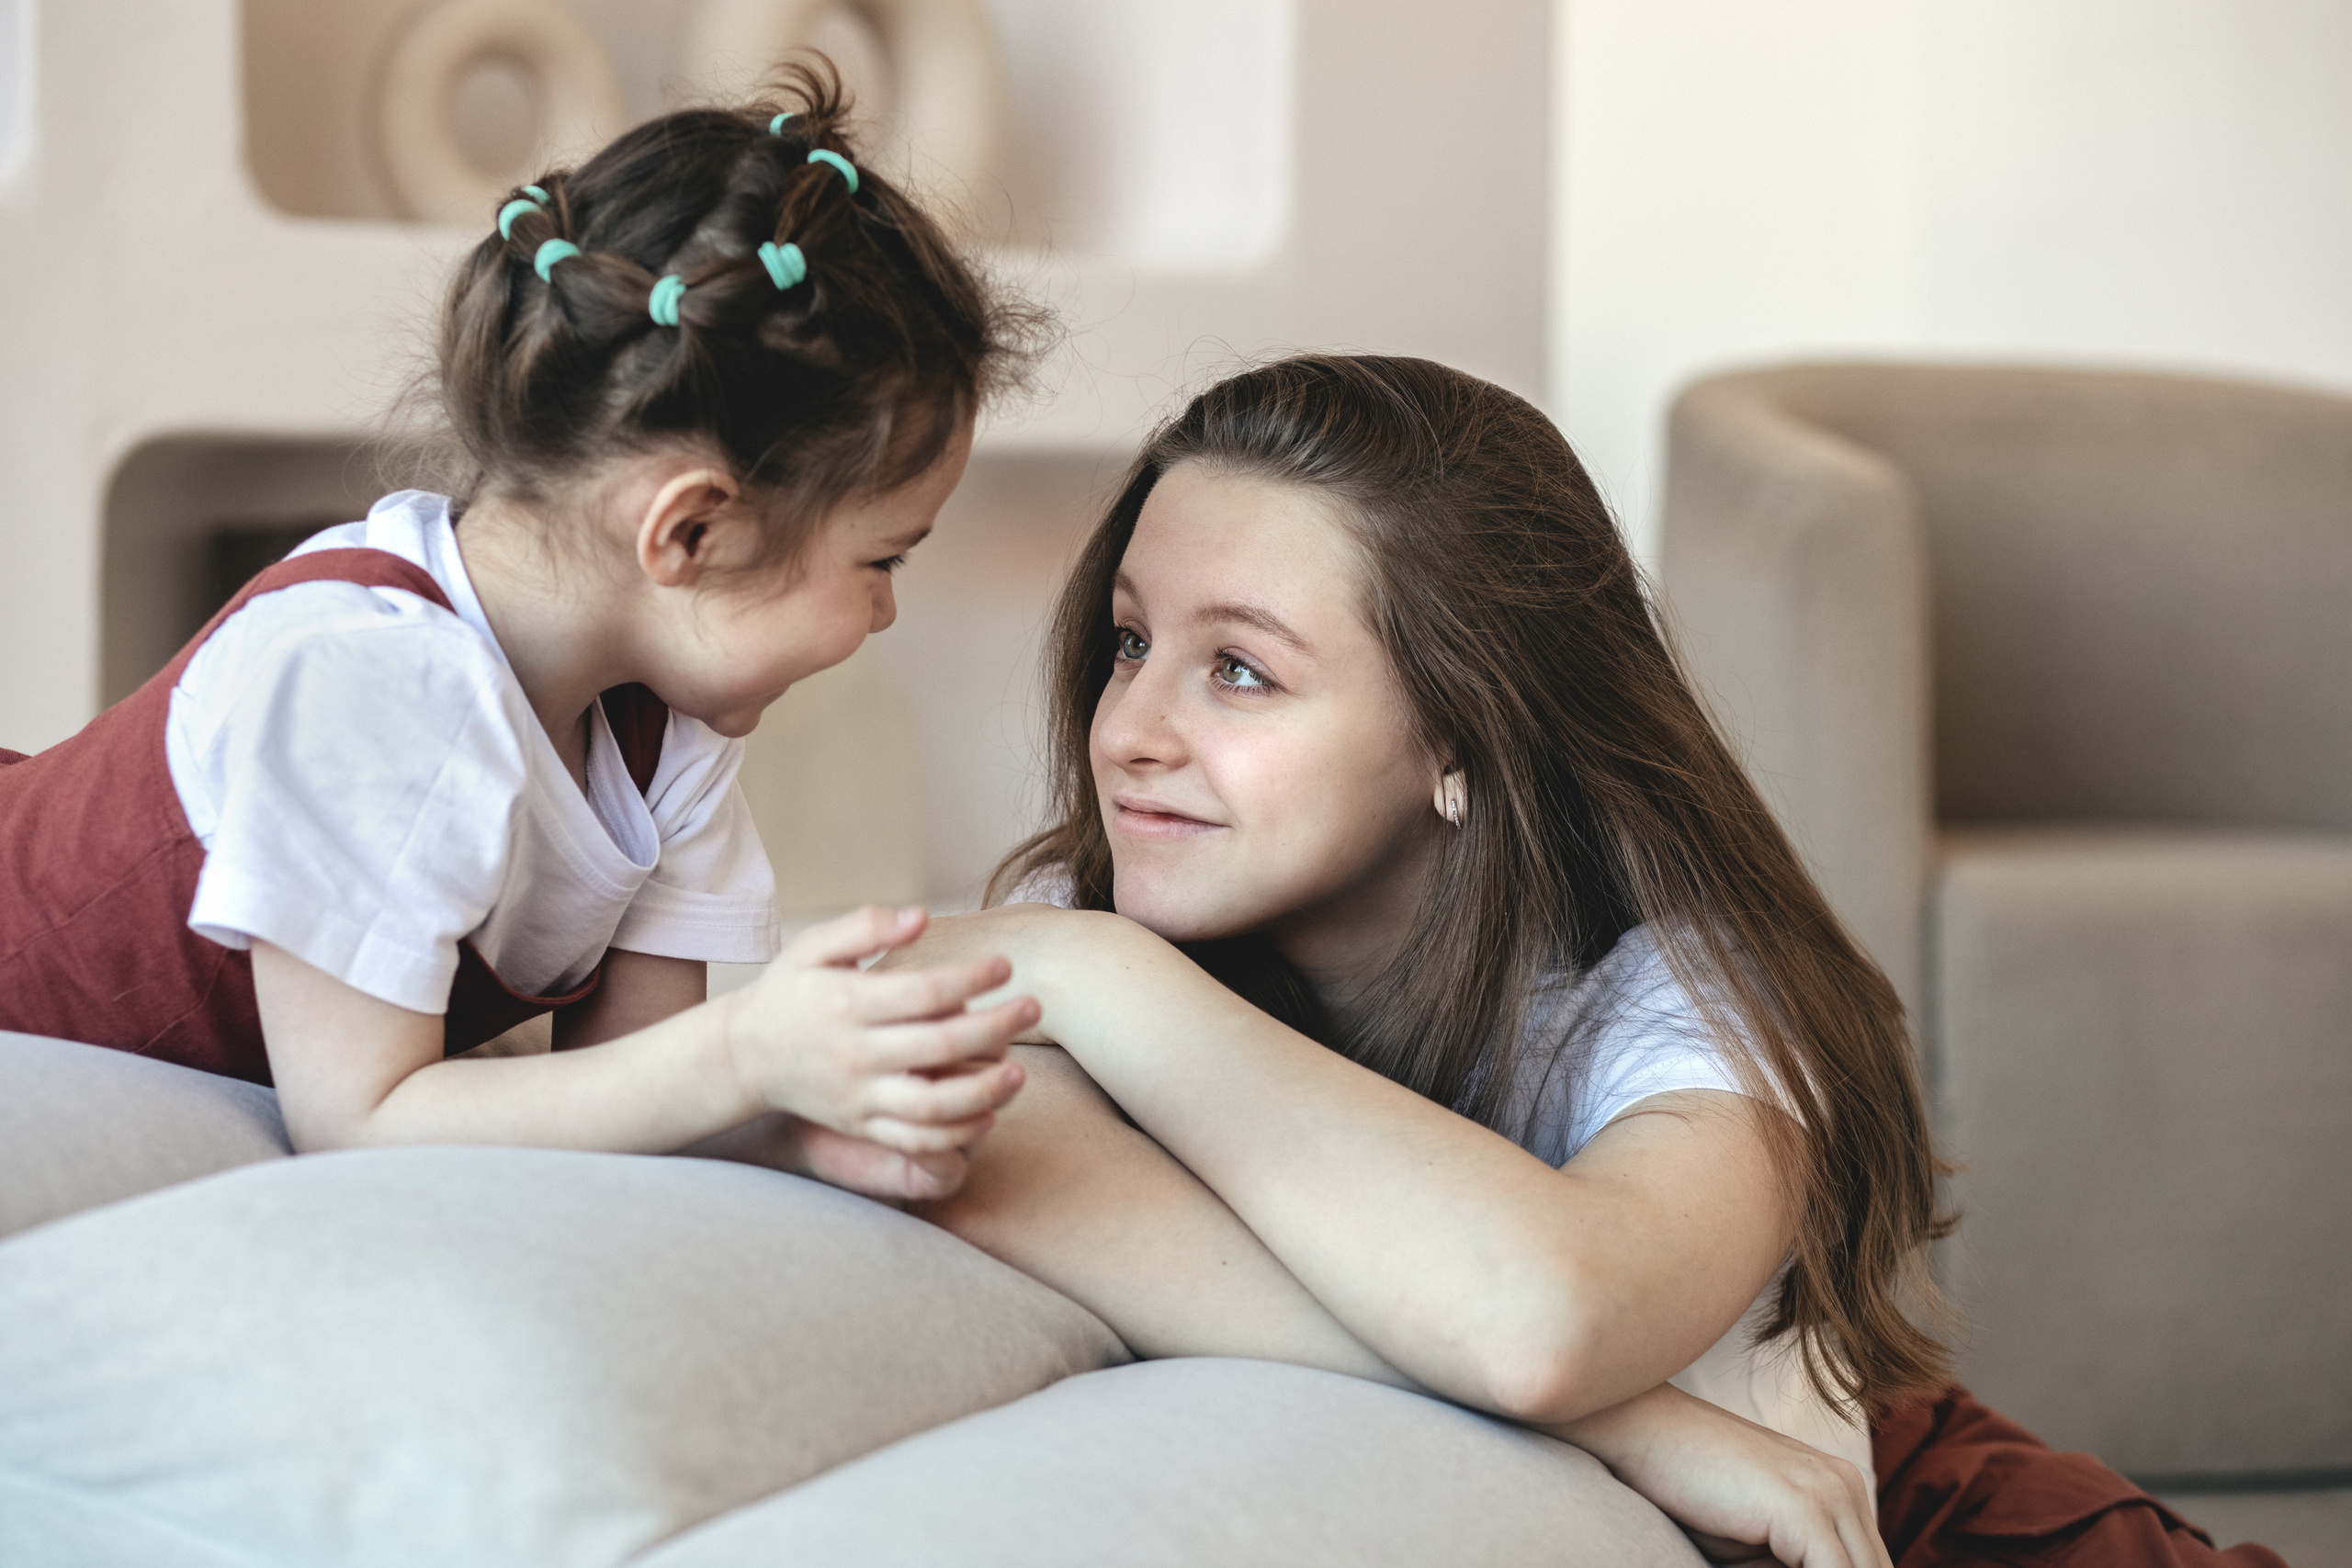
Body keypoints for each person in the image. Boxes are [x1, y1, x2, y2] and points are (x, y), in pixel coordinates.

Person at [883, 355, 2287, 1567]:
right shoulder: (1094, 921)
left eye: (1239, 668)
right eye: (1131, 642)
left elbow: (1541, 1316)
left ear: (1461, 736)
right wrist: (1653, 1428)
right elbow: (991, 1175)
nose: (1128, 726)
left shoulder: (1689, 991)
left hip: (1903, 1518)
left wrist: (1109, 980)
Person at [0, 65, 1035, 1204]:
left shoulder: (664, 740)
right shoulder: (371, 680)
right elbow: (364, 1120)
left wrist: (807, 1130)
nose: (886, 610)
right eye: (882, 559)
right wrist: (741, 1053)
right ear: (688, 531)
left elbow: (629, 1087)